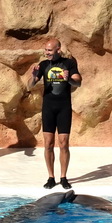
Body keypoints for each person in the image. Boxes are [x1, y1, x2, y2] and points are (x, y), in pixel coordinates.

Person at [25, 38, 81, 189]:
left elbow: (78, 82)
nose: (46, 53)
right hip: (48, 108)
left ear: (58, 50)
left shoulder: (69, 63)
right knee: (48, 144)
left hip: (64, 108)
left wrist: (68, 78)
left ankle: (63, 177)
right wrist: (34, 75)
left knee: (64, 144)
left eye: (49, 50)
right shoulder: (44, 65)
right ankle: (51, 177)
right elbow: (30, 85)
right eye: (46, 50)